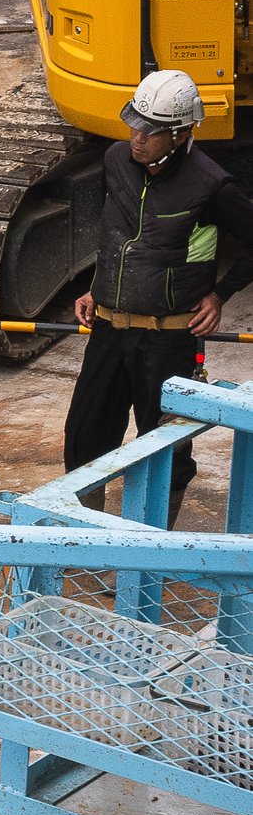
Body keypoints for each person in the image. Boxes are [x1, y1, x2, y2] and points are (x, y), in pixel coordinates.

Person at [63, 69, 253, 521]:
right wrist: (98, 286)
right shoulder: (115, 160)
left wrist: (220, 294)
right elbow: (116, 233)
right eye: (135, 123)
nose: (138, 137)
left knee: (163, 445)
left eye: (151, 130)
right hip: (109, 328)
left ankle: (145, 555)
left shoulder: (211, 185)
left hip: (169, 339)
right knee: (85, 435)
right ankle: (87, 537)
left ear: (181, 132)